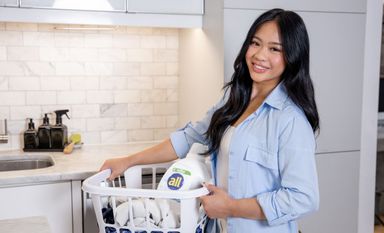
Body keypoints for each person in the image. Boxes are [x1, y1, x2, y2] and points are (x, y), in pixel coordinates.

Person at [100, 8, 320, 233]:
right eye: (255, 43)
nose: (260, 55)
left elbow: (303, 198)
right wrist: (128, 161)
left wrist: (231, 207)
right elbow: (189, 138)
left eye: (274, 49)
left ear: (292, 57)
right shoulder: (234, 99)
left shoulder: (290, 119)